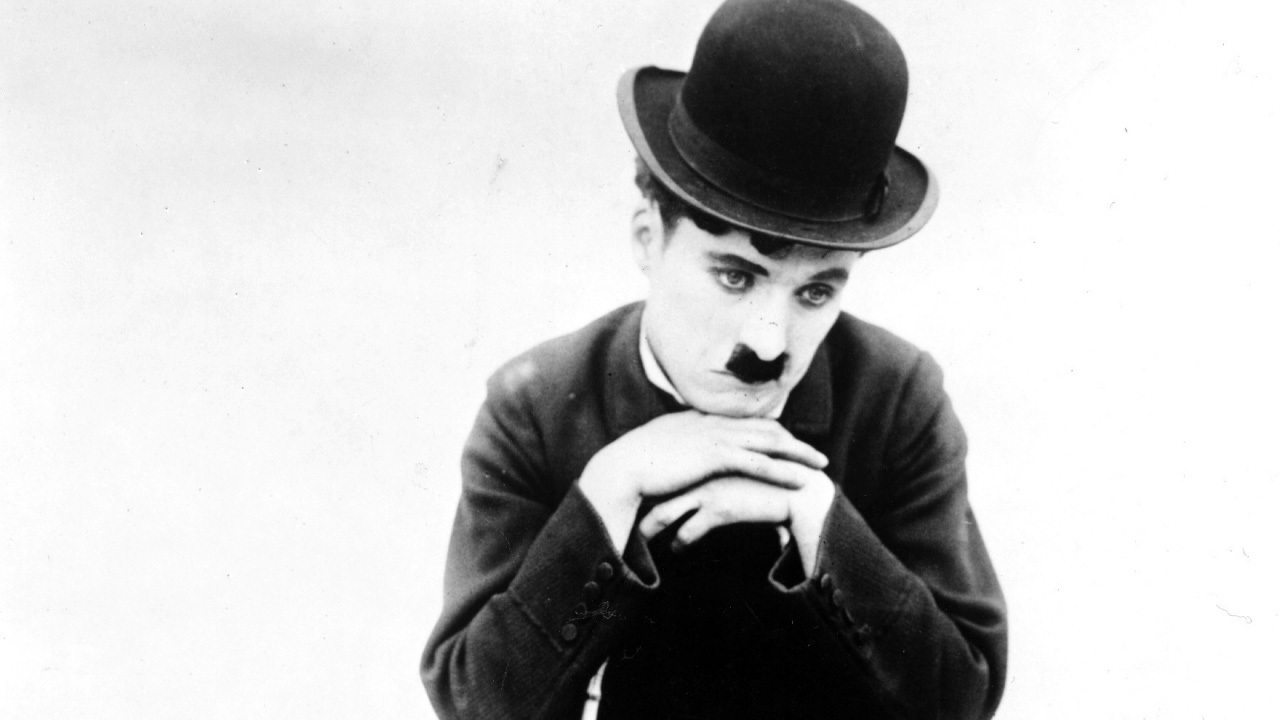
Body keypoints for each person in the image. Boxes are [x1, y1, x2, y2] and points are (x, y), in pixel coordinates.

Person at [421, 0, 1007, 718]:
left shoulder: (897, 400)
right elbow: (472, 702)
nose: (770, 343)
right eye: (735, 277)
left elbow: (963, 698)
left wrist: (823, 523)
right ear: (648, 238)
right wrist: (604, 497)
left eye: (816, 291)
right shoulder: (535, 407)